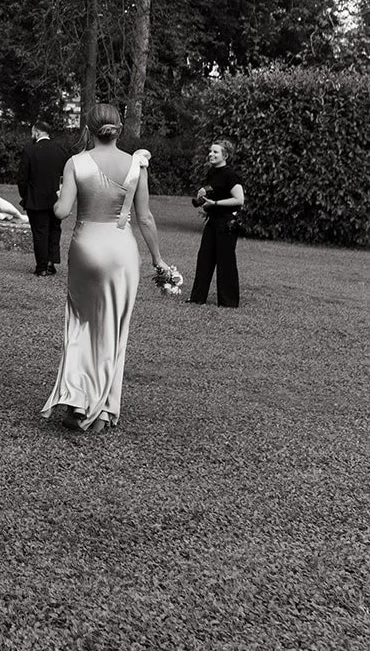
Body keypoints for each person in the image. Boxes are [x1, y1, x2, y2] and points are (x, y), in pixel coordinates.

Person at [42, 103, 168, 436]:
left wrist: (57, 195)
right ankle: (103, 410)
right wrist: (157, 259)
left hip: (86, 248)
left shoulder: (76, 163)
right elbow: (145, 218)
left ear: (88, 127)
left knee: (83, 326)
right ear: (120, 127)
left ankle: (79, 401)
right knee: (113, 332)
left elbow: (61, 211)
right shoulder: (135, 165)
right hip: (121, 250)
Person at [188, 138, 245, 308]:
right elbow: (213, 196)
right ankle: (197, 298)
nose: (211, 154)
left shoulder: (230, 174)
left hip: (227, 223)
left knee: (225, 261)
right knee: (204, 258)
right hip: (213, 221)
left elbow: (239, 199)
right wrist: (205, 202)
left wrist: (216, 204)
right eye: (210, 151)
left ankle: (228, 302)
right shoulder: (212, 173)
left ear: (225, 155)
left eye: (215, 152)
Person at [17, 120, 68, 276]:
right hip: (56, 198)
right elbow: (65, 176)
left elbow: (22, 177)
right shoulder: (61, 150)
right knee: (54, 230)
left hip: (35, 198)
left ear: (37, 132)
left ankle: (41, 267)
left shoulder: (29, 150)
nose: (32, 135)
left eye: (33, 132)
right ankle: (51, 263)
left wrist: (25, 195)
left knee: (40, 232)